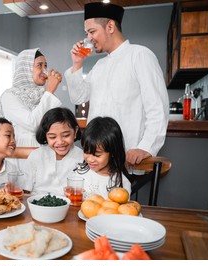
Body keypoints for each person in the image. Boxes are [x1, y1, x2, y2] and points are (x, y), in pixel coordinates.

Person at [64, 2, 169, 165]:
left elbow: (158, 108)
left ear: (110, 27)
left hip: (128, 155)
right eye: (87, 33)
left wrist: (145, 148)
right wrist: (77, 64)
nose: (88, 38)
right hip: (97, 156)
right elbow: (78, 97)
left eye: (92, 31)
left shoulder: (140, 55)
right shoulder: (99, 65)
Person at [0, 48, 63, 147]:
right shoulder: (9, 96)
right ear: (25, 68)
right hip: (21, 157)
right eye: (39, 65)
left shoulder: (46, 94)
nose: (44, 70)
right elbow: (33, 124)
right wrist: (49, 91)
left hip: (47, 153)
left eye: (45, 66)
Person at [25, 107, 83, 195]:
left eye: (66, 135)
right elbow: (25, 189)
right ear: (46, 136)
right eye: (52, 137)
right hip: (38, 205)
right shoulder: (36, 156)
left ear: (75, 132)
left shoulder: (82, 157)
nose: (60, 142)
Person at [75, 116, 131, 200]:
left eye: (97, 155)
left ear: (112, 152)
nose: (90, 159)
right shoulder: (80, 172)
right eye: (86, 152)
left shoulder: (121, 183)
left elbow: (121, 211)